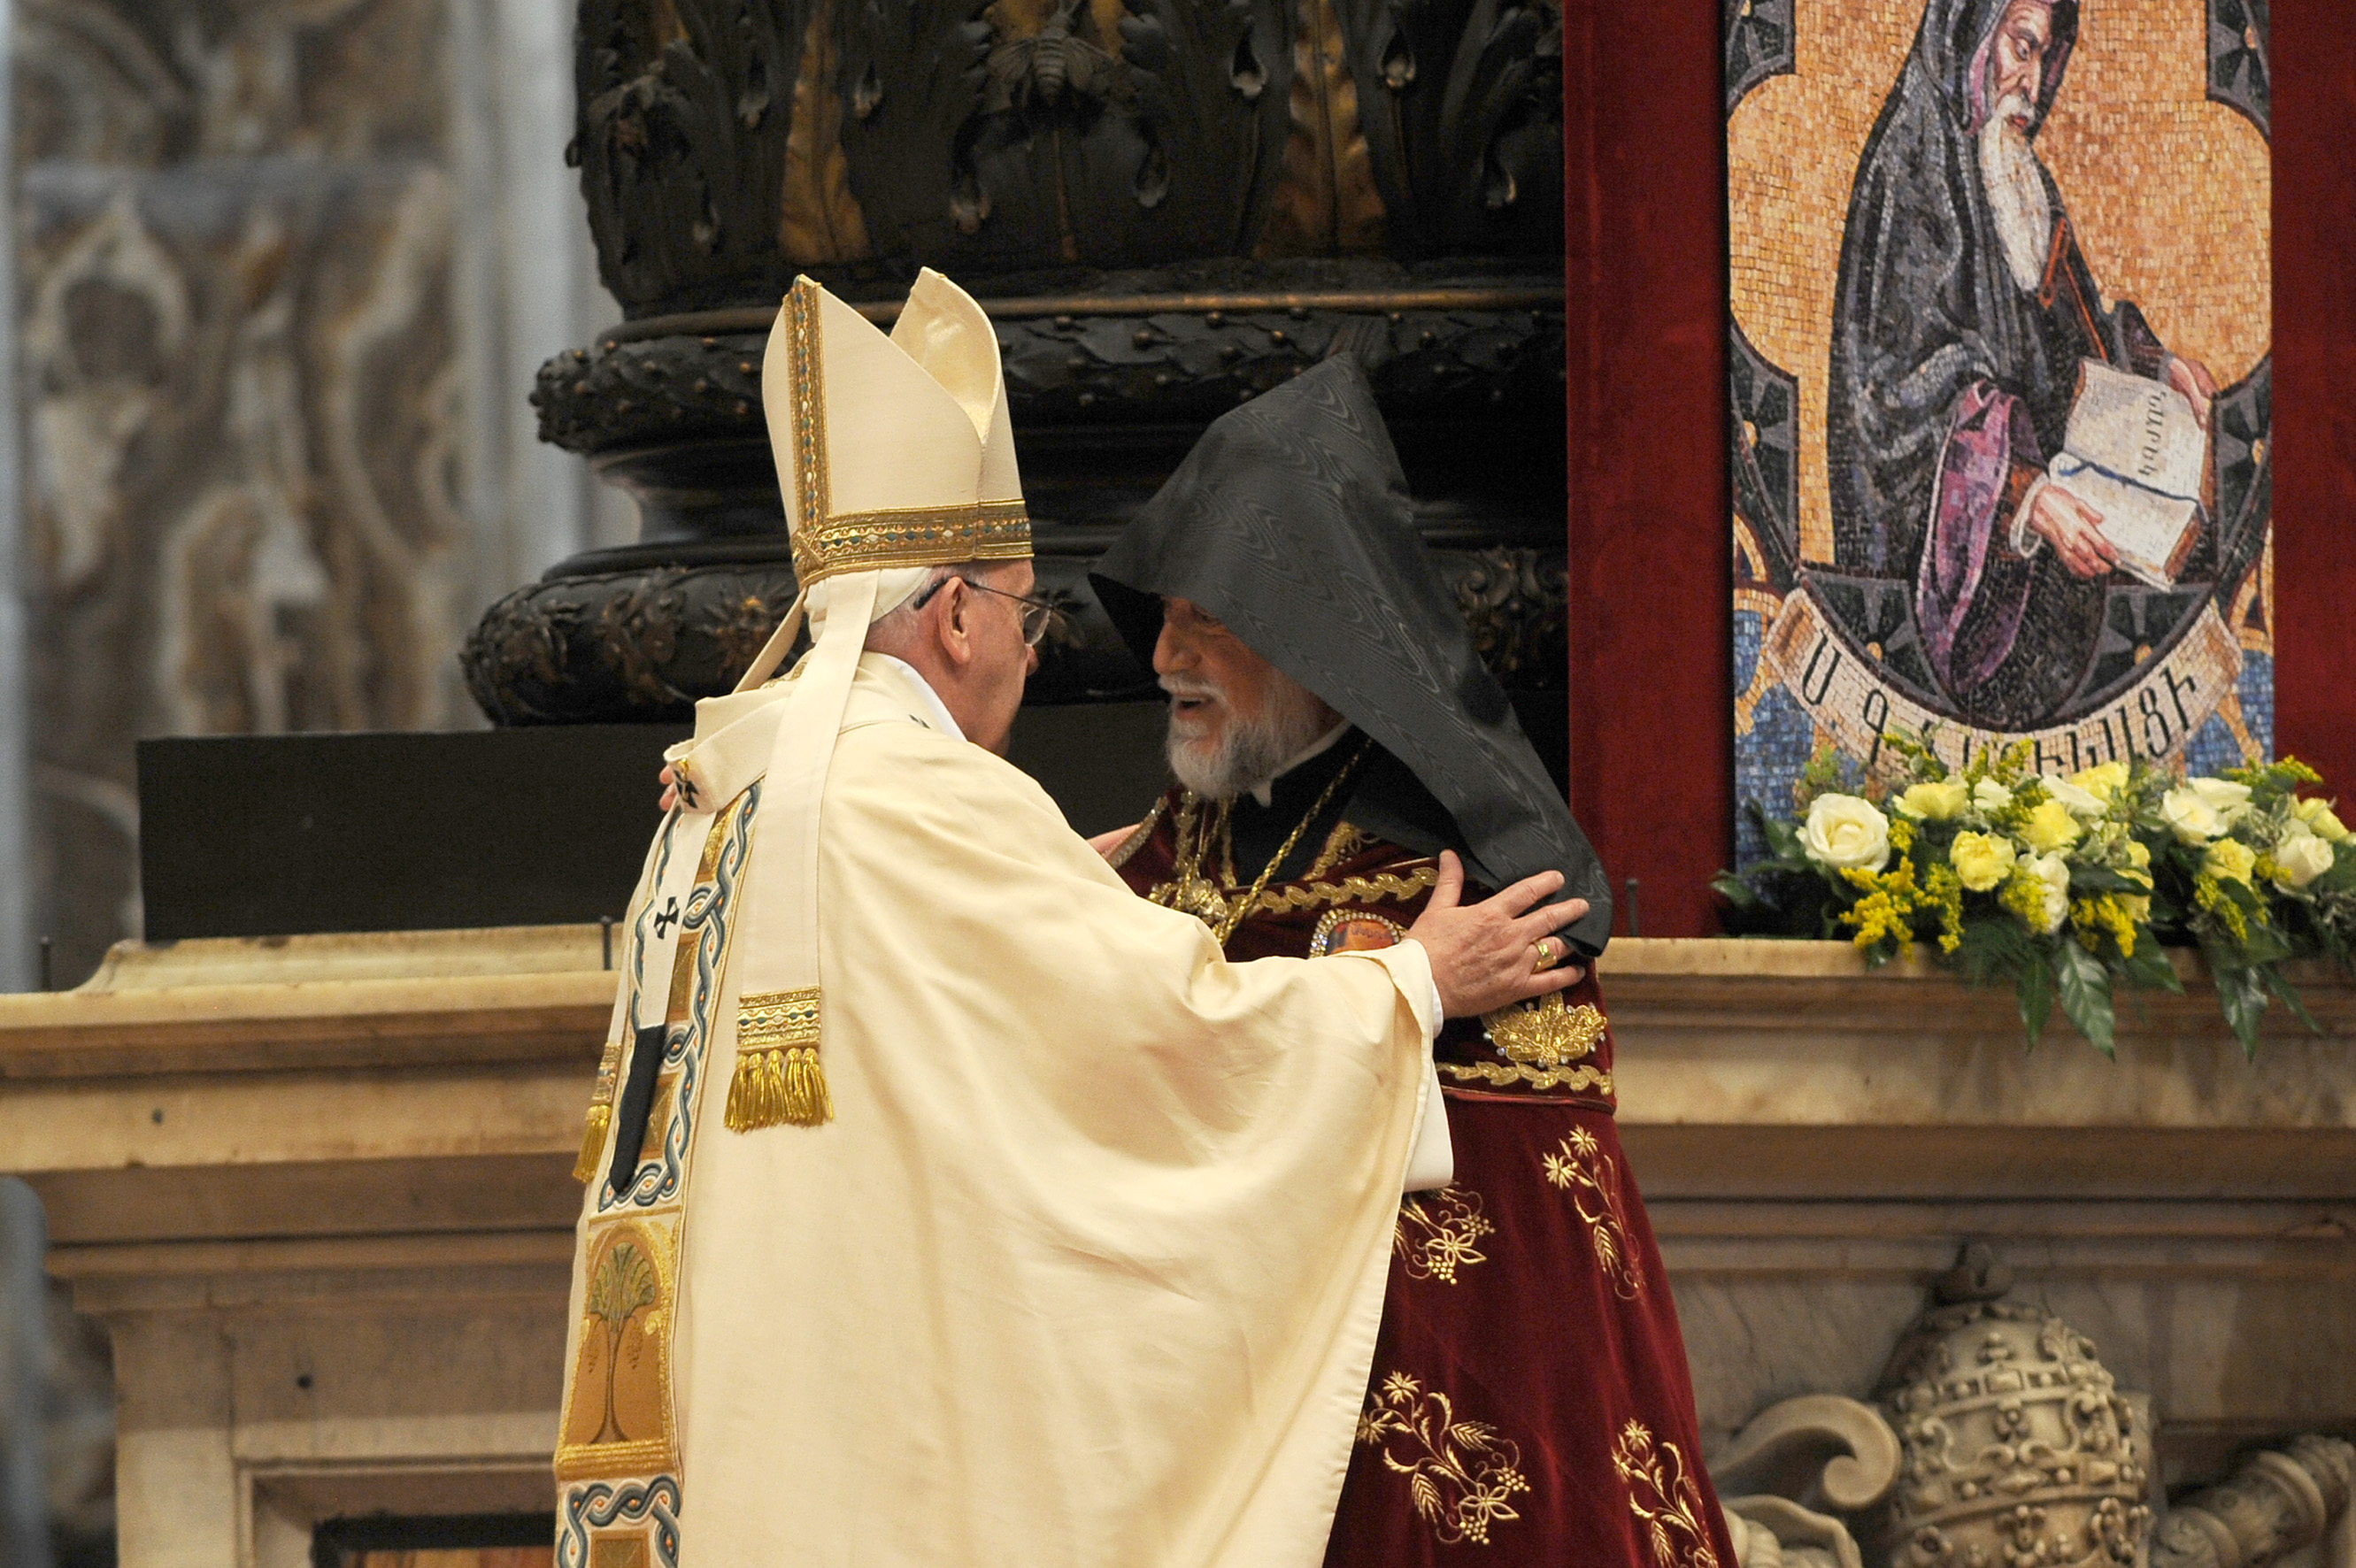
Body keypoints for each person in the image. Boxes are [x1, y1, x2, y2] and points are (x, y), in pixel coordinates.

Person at [553, 269, 1590, 1568]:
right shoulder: (924, 797)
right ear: (953, 616)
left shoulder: (722, 784)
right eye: (1023, 610)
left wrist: (1049, 900)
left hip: (745, 1429)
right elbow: (1171, 1044)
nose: (1033, 650)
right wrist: (1413, 984)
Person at [1088, 356, 1741, 1568]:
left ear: (1312, 632)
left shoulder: (1476, 884)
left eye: (1206, 617)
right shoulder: (1160, 850)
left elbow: (1518, 1248)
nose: (1166, 652)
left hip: (1414, 1428)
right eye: (1165, 612)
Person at [1827, 0, 2219, 728]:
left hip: (2057, 583)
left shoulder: (2020, 180)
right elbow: (1890, 407)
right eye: (2021, 47)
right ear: (1968, 36)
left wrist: (2153, 366)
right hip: (1959, 595)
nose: (2033, 85)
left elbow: (2072, 344)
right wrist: (2020, 495)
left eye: (2047, 58)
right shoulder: (1910, 173)